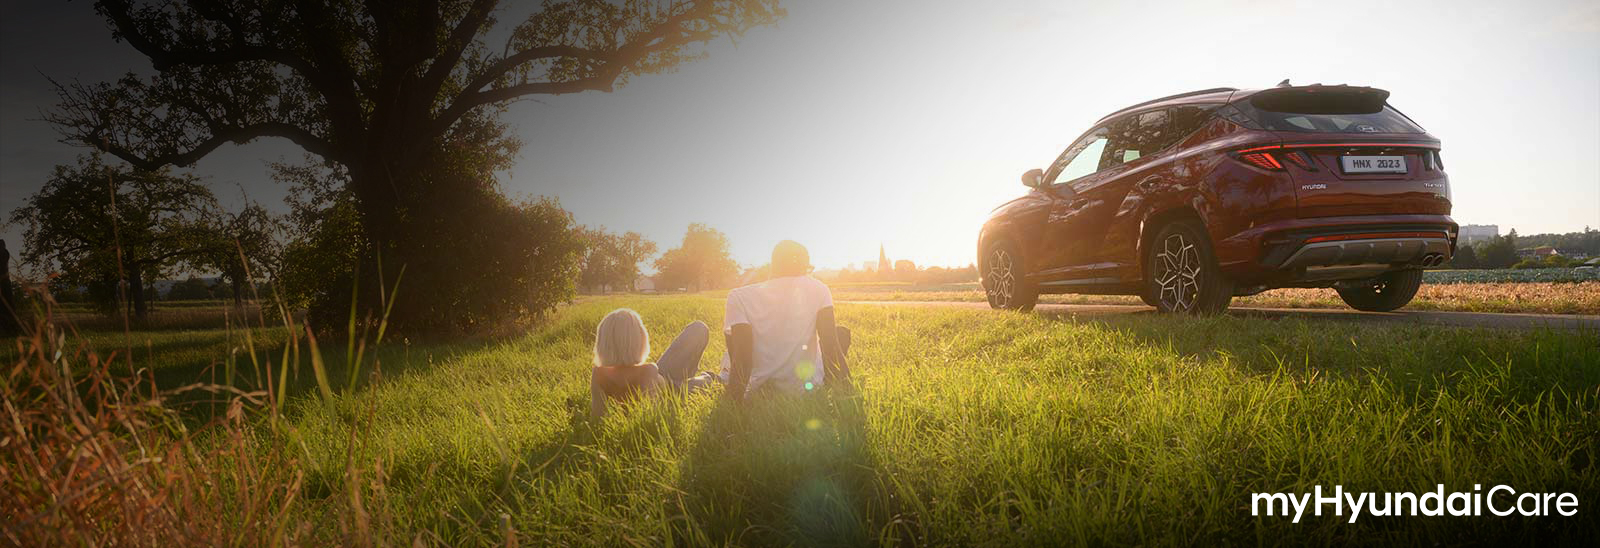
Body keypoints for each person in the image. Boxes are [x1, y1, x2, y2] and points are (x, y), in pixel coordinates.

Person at [720, 240, 851, 402]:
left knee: (841, 332)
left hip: (760, 389)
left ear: (773, 265)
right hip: (805, 388)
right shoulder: (819, 289)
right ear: (804, 267)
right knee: (840, 333)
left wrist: (733, 403)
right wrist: (848, 391)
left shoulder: (739, 297)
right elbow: (829, 345)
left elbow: (741, 357)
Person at [588, 308, 710, 419]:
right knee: (709, 381)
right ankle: (721, 376)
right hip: (676, 391)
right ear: (638, 339)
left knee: (699, 328)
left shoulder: (598, 374)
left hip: (664, 377)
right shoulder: (648, 370)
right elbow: (651, 415)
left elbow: (597, 417)